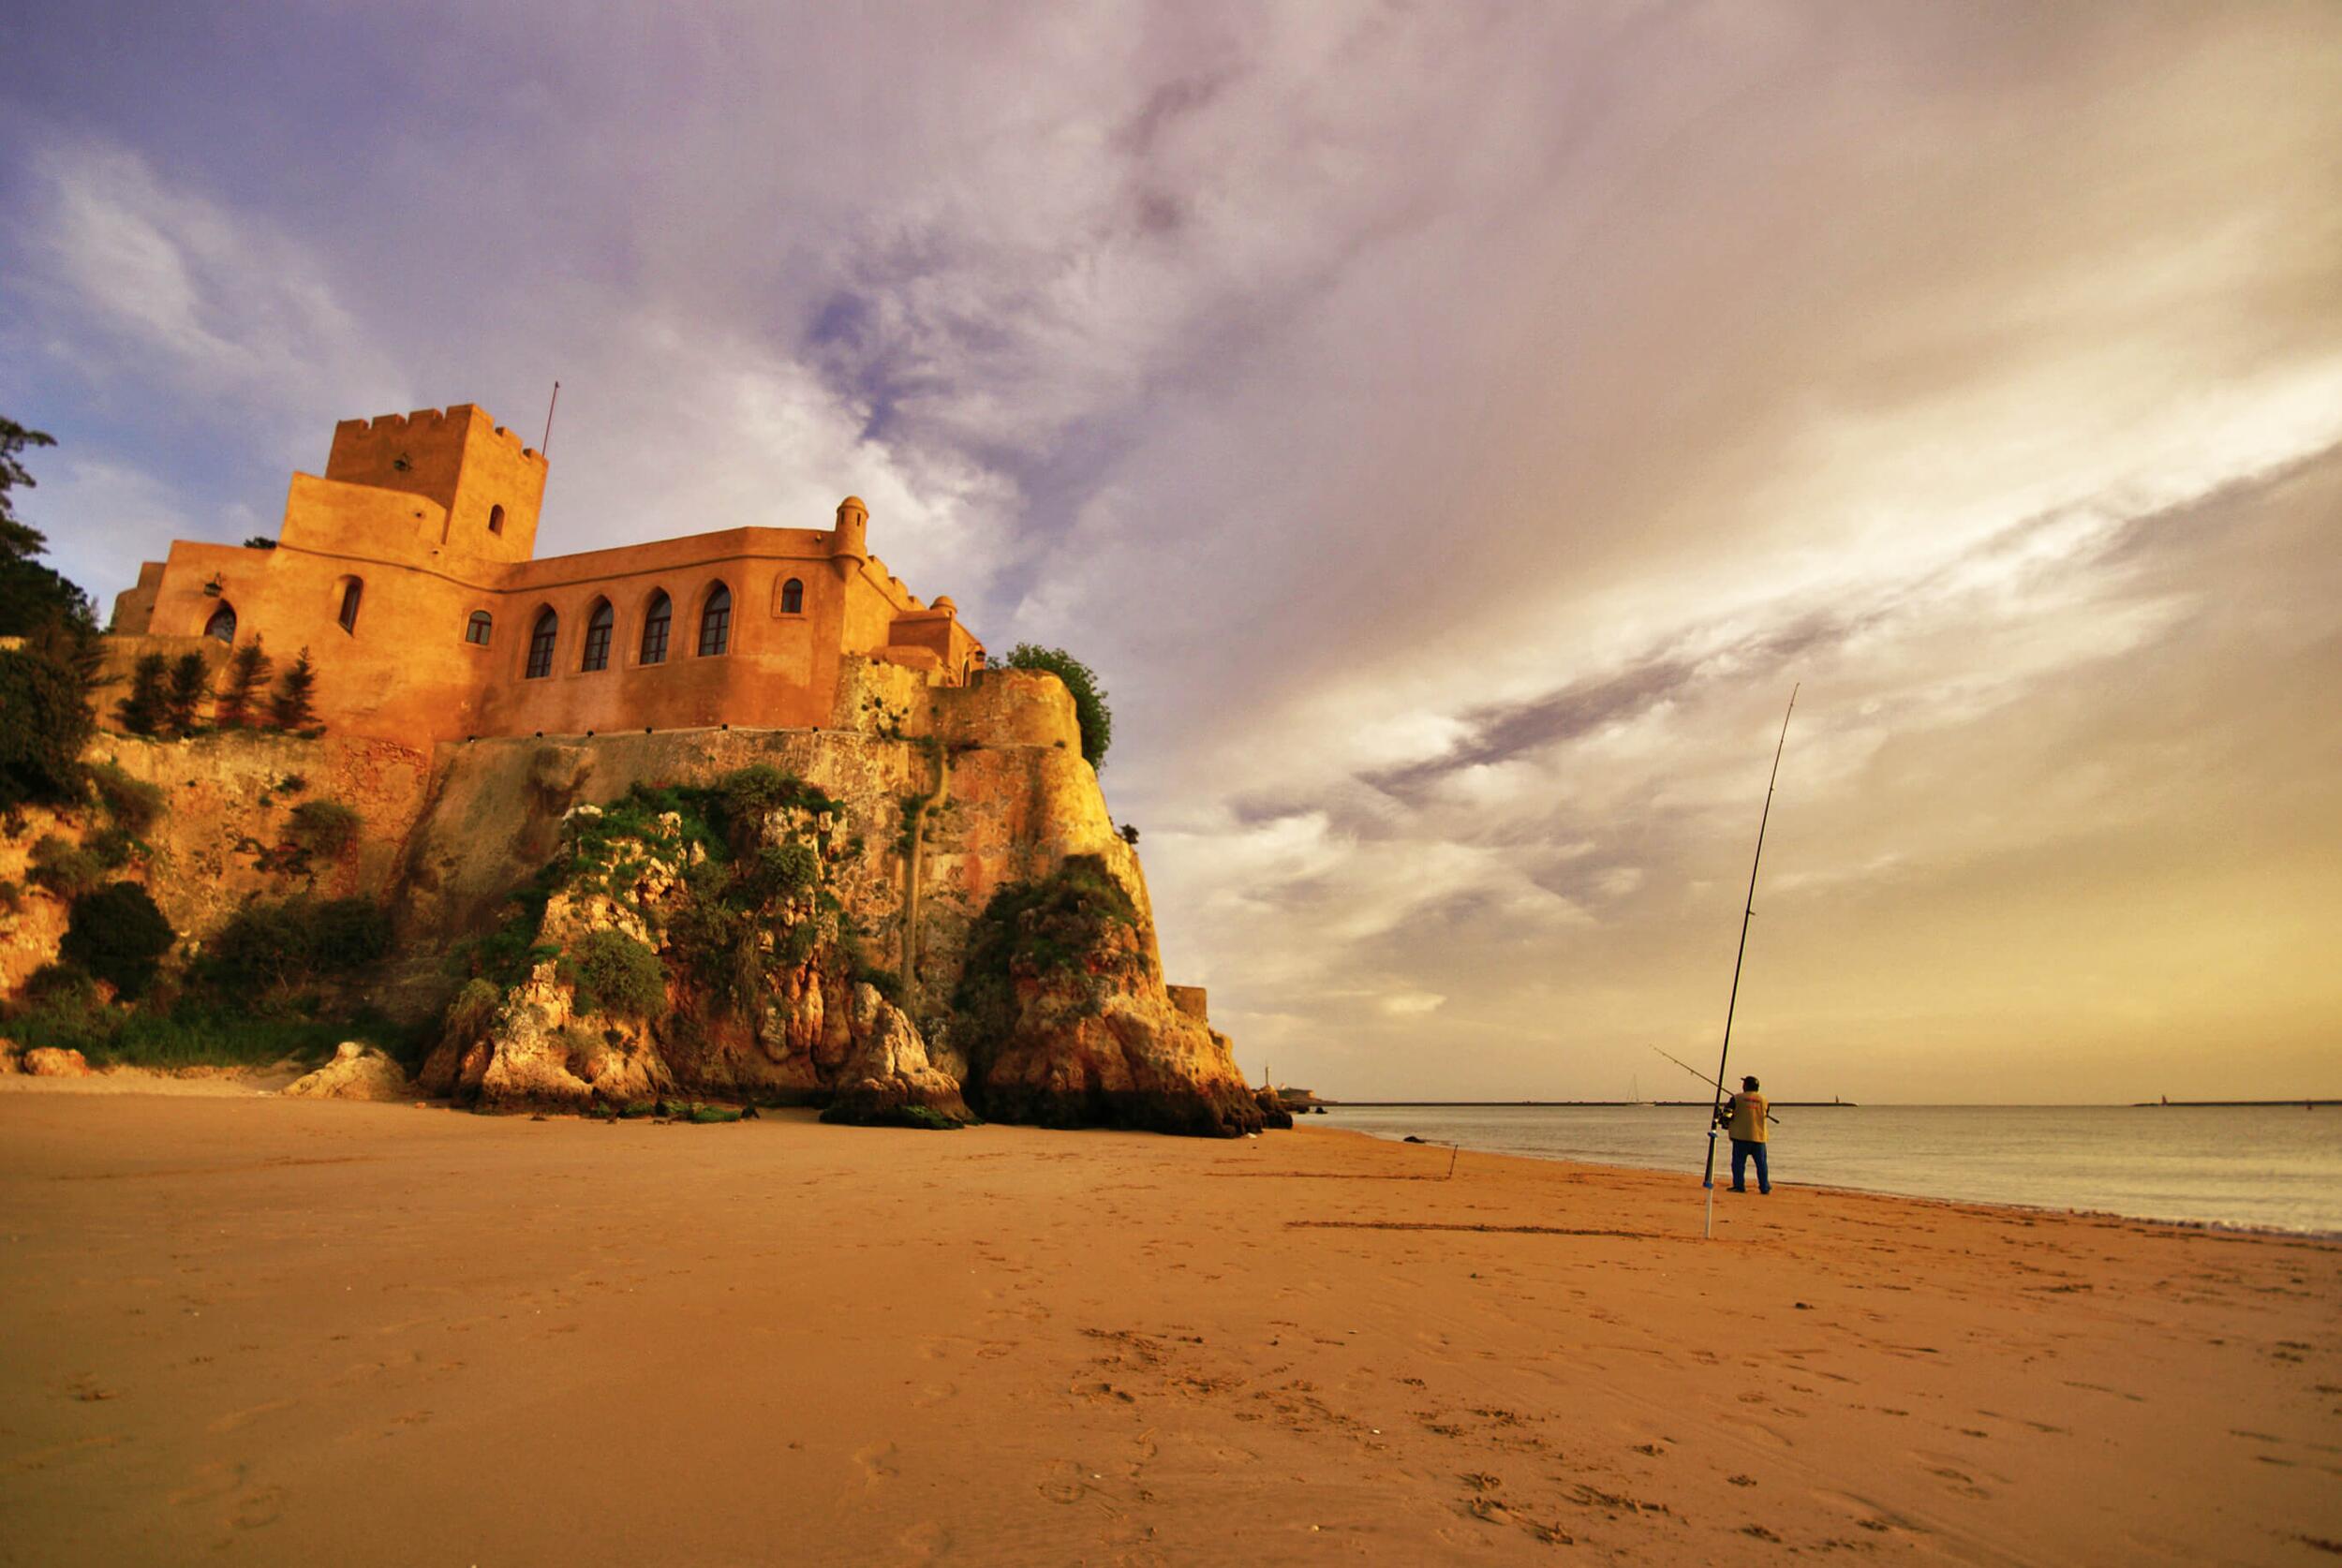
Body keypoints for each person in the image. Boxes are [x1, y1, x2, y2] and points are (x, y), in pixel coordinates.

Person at [1715, 1074, 1771, 1194]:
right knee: (1761, 1164)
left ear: (1746, 1086)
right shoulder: (1764, 1100)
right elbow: (1765, 1113)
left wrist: (1722, 1120)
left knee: (1738, 1164)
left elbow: (1727, 1116)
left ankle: (1739, 1186)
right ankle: (1764, 1187)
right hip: (1759, 1137)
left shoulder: (1736, 1098)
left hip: (1741, 1137)